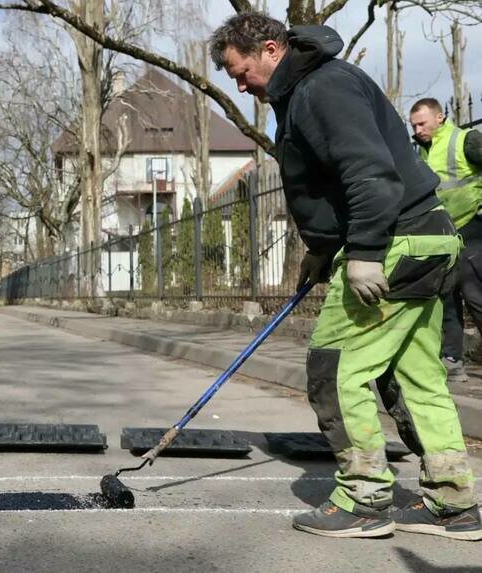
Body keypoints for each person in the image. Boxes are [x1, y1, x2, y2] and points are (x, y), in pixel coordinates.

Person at [209, 12, 480, 540]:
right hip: (426, 238)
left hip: (395, 243)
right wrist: (323, 250)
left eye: (240, 72)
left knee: (334, 368)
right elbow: (333, 185)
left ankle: (363, 498)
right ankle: (454, 504)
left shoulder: (321, 88)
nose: (240, 85)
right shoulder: (309, 90)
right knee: (416, 377)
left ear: (270, 49)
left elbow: (368, 171)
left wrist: (363, 253)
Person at [409, 98, 482, 383]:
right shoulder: (422, 153)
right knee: (447, 299)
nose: (417, 129)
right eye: (413, 125)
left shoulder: (465, 141)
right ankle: (452, 359)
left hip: (472, 230)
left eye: (422, 123)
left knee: (475, 295)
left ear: (440, 118)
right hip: (443, 237)